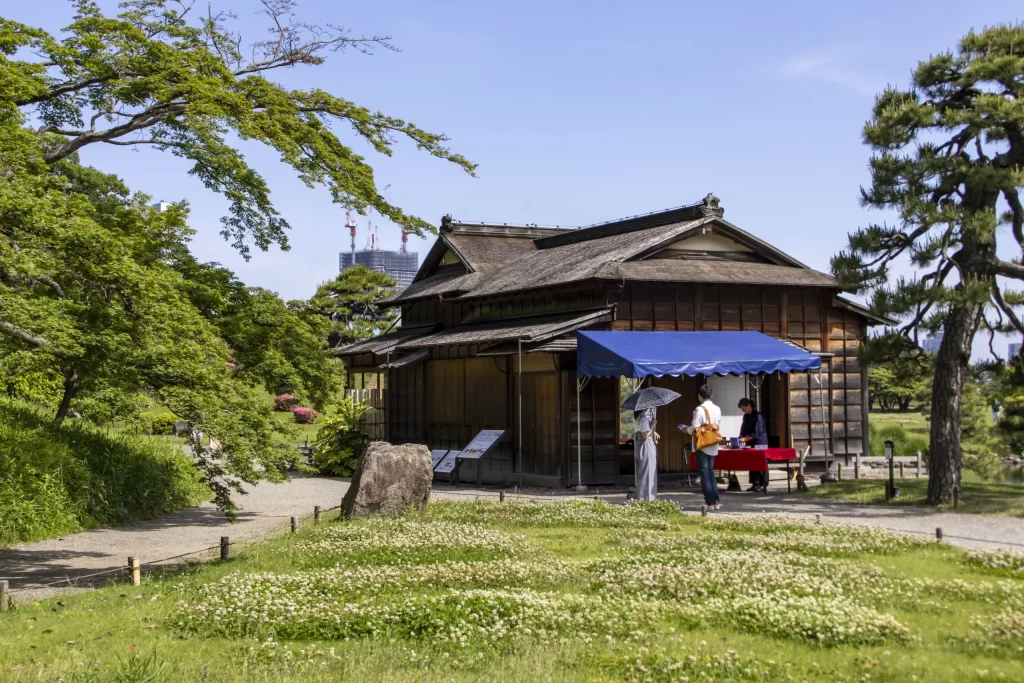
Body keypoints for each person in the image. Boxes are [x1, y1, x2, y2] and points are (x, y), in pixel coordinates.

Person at [687, 385, 722, 510]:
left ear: (700, 396)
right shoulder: (717, 409)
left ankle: (710, 502)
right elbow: (717, 424)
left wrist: (686, 429)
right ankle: (716, 501)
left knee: (704, 473)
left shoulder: (699, 409)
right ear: (711, 395)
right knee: (711, 472)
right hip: (713, 442)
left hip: (702, 444)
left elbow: (694, 428)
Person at [738, 398, 769, 492]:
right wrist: (741, 436)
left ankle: (763, 483)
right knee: (752, 462)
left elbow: (757, 432)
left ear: (748, 406)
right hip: (750, 442)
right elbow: (743, 429)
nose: (743, 411)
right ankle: (754, 483)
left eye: (743, 408)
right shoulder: (746, 416)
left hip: (760, 442)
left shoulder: (758, 416)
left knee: (761, 462)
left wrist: (746, 438)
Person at [633, 407, 659, 501]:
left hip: (641, 445)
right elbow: (645, 435)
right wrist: (653, 425)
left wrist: (653, 432)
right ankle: (646, 498)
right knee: (647, 471)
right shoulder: (643, 418)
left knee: (645, 471)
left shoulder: (639, 417)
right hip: (646, 445)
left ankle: (645, 497)